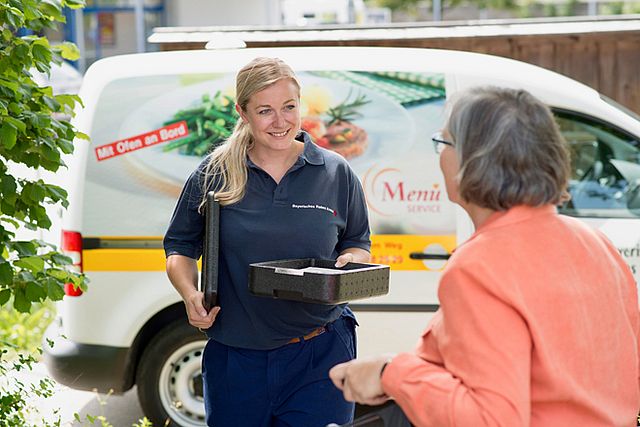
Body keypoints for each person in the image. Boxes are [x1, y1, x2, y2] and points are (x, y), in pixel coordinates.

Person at [329, 86, 640, 427]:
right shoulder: (596, 244)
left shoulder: (479, 266)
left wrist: (392, 372)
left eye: (442, 143)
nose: (439, 156)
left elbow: (491, 419)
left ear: (472, 160)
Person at [163, 57, 371, 427]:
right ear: (242, 112)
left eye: (289, 107)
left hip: (321, 354)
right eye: (265, 111)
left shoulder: (336, 172)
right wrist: (189, 293)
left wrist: (351, 262)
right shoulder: (215, 173)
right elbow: (179, 246)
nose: (281, 122)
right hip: (237, 360)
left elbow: (357, 241)